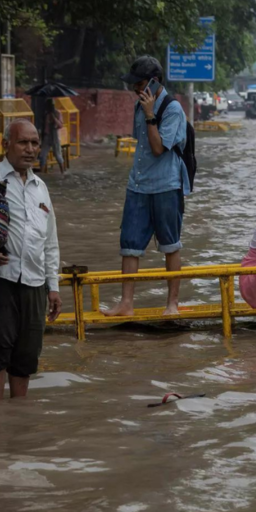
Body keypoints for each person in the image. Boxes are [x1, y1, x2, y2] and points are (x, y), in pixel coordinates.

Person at [0, 119, 63, 402]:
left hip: (35, 283)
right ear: (6, 145)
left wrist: (54, 287)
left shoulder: (41, 188)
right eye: (23, 142)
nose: (30, 149)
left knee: (26, 356)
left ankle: (17, 415)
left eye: (35, 143)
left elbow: (50, 242)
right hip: (0, 279)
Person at [104, 56, 190, 317]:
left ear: (154, 81)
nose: (135, 89)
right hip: (138, 185)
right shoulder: (138, 106)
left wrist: (152, 115)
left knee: (170, 244)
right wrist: (145, 110)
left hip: (166, 185)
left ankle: (172, 304)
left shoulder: (173, 110)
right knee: (129, 244)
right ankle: (126, 303)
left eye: (139, 84)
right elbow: (138, 143)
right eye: (134, 84)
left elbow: (156, 148)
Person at [39, 98, 66, 174]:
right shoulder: (45, 114)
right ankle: (42, 173)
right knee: (42, 155)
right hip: (47, 136)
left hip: (55, 136)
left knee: (58, 155)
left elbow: (60, 125)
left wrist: (53, 117)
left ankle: (62, 172)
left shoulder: (58, 113)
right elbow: (44, 126)